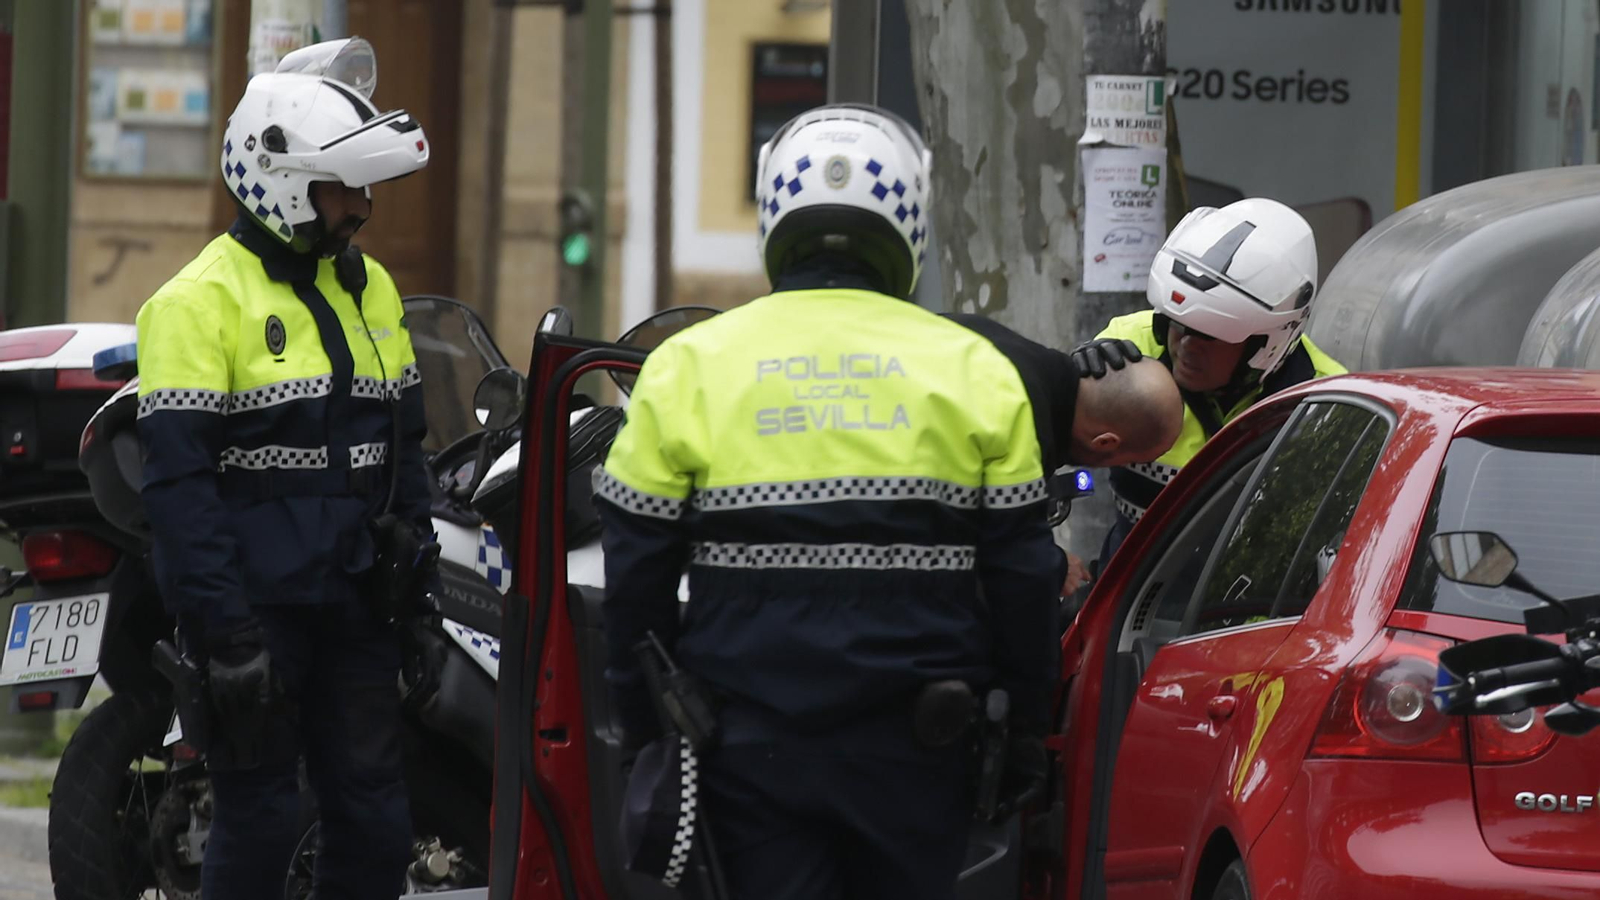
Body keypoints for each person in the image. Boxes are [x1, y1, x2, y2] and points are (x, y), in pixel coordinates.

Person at [596, 103, 1064, 900]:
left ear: (775, 218)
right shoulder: (974, 370)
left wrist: (645, 730)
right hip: (920, 749)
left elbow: (634, 580)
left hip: (746, 747)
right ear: (909, 222)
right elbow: (1024, 579)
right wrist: (1026, 728)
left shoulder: (687, 367)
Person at [135, 40, 435, 900]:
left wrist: (418, 594)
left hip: (357, 607)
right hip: (256, 615)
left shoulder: (371, 286)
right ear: (284, 182)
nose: (364, 208)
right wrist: (225, 638)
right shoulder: (196, 303)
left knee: (377, 826)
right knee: (261, 820)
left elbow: (405, 448)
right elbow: (179, 493)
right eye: (344, 188)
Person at [1095, 197, 1346, 566]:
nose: (1186, 345)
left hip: (1251, 597)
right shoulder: (1126, 349)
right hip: (1131, 587)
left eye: (1210, 334)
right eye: (1177, 324)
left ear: (1266, 344)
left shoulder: (1328, 401)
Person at [946, 314, 1184, 594]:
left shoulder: (994, 341)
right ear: (1105, 442)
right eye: (1130, 461)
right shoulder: (1026, 432)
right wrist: (1053, 568)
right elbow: (1001, 559)